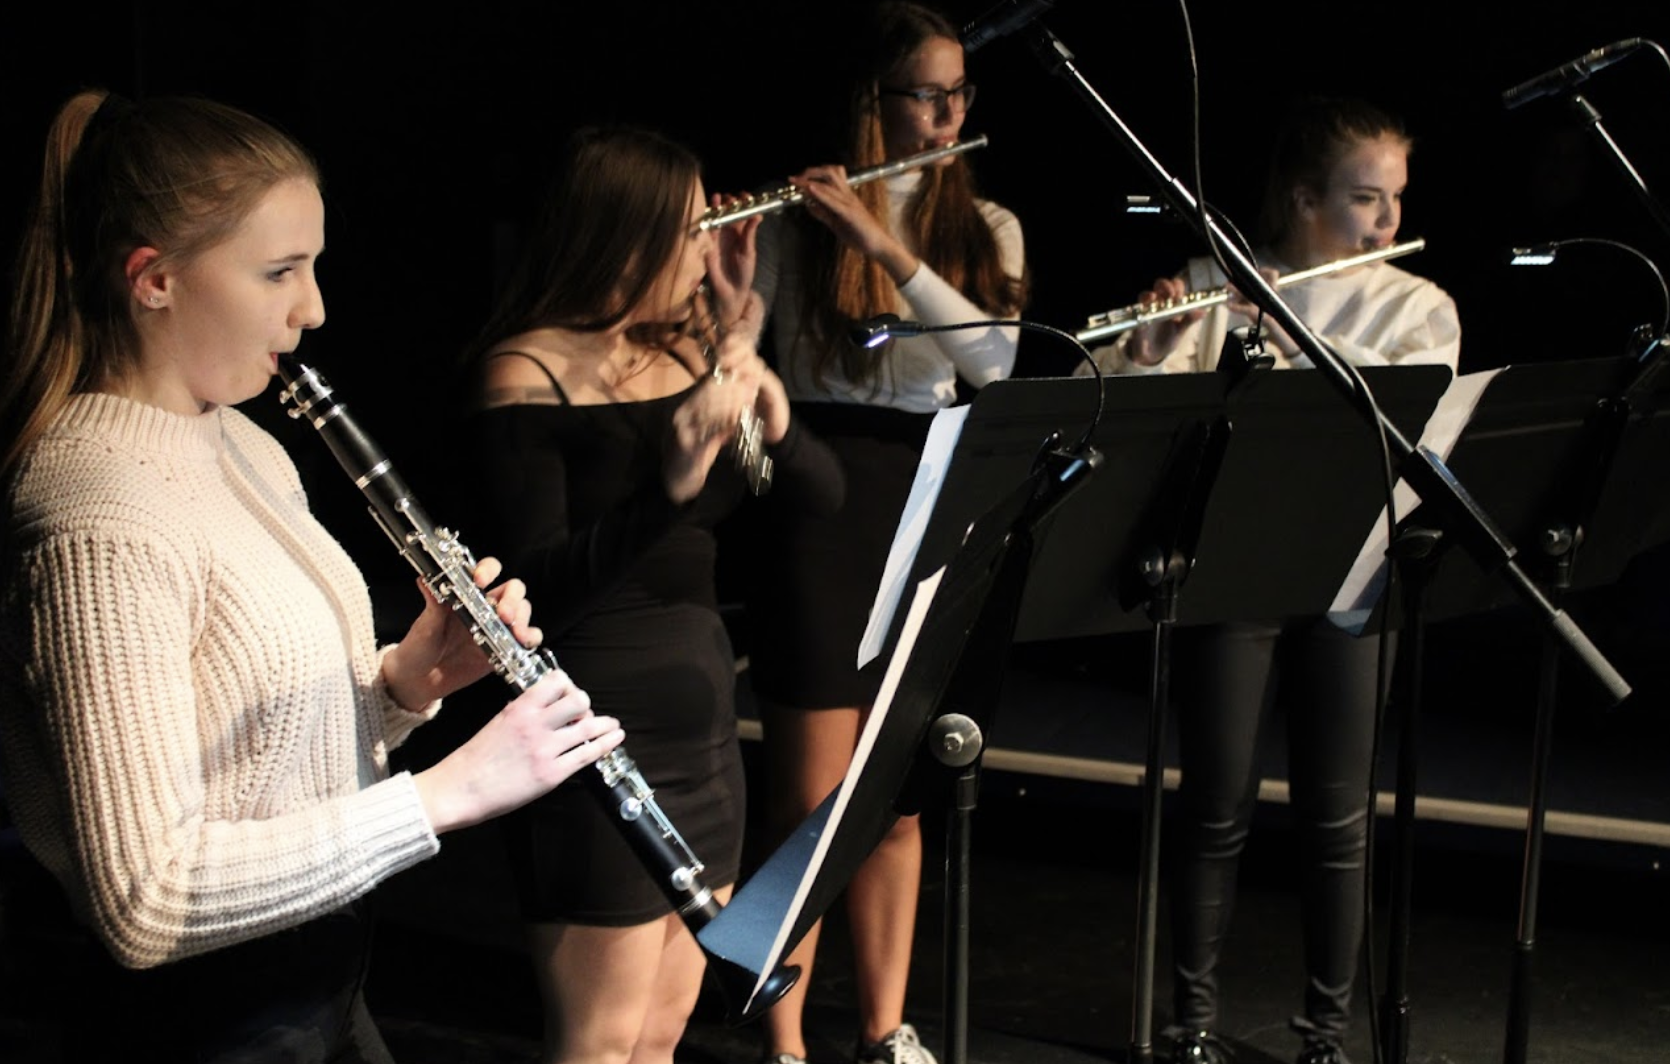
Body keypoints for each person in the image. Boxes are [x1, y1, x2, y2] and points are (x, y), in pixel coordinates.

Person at [0, 90, 624, 1063]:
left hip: (317, 982)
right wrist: (447, 793)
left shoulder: (243, 440)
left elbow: (252, 755)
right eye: (280, 271)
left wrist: (402, 686)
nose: (314, 308)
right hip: (203, 1022)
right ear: (153, 278)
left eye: (314, 265)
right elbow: (146, 896)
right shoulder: (98, 515)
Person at [1084, 98, 1460, 1064]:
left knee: (1339, 821)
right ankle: (1190, 1024)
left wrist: (1290, 341)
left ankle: (1327, 1035)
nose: (1384, 223)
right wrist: (1153, 350)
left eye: (1394, 201)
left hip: (1351, 574)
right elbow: (1118, 418)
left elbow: (1411, 413)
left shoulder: (1417, 306)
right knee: (1214, 808)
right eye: (1363, 200)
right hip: (1235, 571)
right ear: (1303, 199)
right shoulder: (1219, 284)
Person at [461, 125, 843, 1064]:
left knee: (661, 1037)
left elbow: (821, 500)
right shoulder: (526, 371)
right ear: (624, 237)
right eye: (692, 230)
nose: (711, 246)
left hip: (705, 741)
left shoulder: (691, 346)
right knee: (599, 1041)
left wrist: (765, 392)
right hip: (594, 743)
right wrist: (666, 489)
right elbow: (531, 597)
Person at [745, 5, 1027, 1063]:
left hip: (932, 494)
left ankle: (881, 1027)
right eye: (926, 92)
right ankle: (783, 1042)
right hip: (820, 499)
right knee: (810, 796)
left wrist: (877, 238)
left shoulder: (985, 227)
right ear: (873, 100)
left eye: (960, 93)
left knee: (896, 799)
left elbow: (997, 364)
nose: (949, 113)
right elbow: (750, 366)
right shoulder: (789, 222)